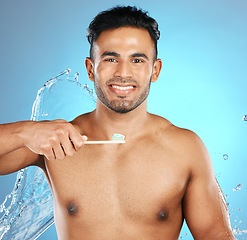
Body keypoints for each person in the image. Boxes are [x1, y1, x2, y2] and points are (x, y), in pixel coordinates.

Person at [0, 6, 235, 240]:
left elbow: (216, 236)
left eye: (137, 60)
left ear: (155, 70)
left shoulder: (186, 149)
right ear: (91, 69)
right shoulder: (55, 141)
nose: (123, 73)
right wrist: (24, 132)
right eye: (111, 58)